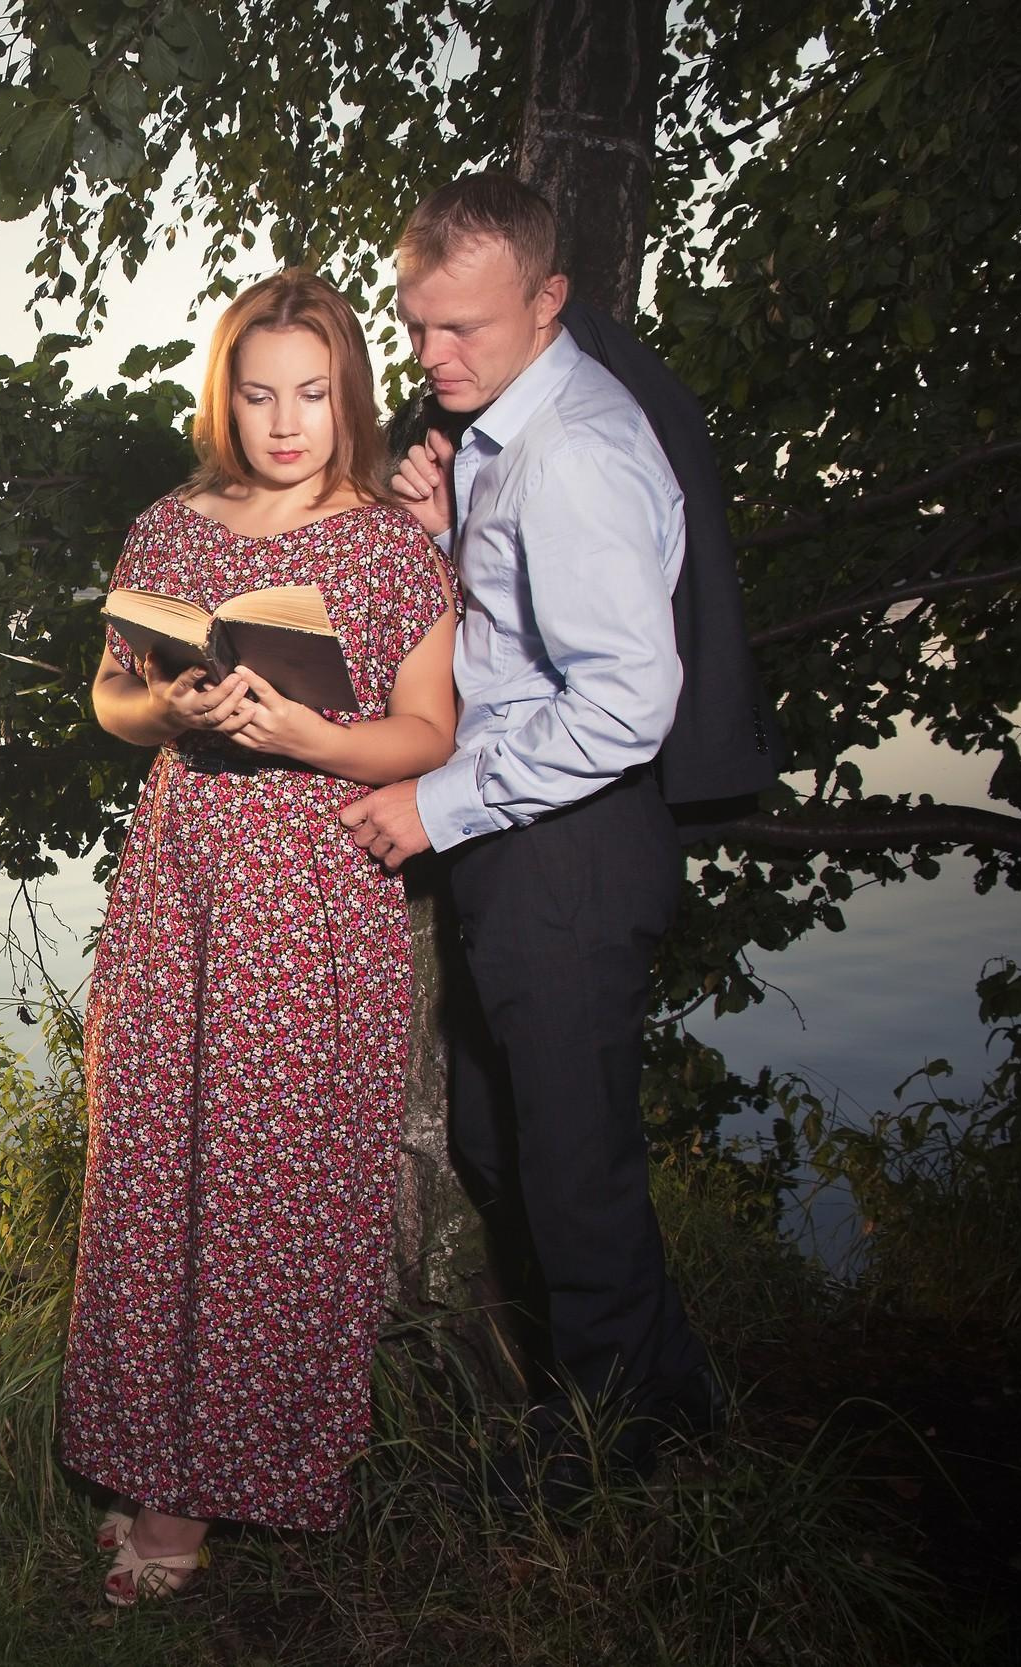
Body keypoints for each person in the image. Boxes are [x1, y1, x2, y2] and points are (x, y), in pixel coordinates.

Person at [62, 269, 457, 1604]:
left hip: (311, 902)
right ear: (223, 398)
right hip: (179, 890)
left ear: (349, 397)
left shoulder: (390, 547)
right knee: (151, 1173)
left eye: (312, 393)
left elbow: (431, 735)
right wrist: (165, 710)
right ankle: (146, 1461)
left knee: (267, 1191)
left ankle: (200, 1499)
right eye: (259, 393)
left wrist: (311, 737)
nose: (286, 423)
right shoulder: (169, 528)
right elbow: (109, 699)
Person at [344, 173, 728, 1500]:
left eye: (467, 327)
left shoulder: (574, 451)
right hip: (529, 833)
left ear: (550, 299)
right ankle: (671, 1401)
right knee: (514, 1148)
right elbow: (519, 640)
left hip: (571, 845)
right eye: (418, 325)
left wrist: (434, 805)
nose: (434, 356)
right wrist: (442, 535)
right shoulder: (504, 434)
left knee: (567, 1172)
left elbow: (624, 704)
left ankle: (607, 1461)